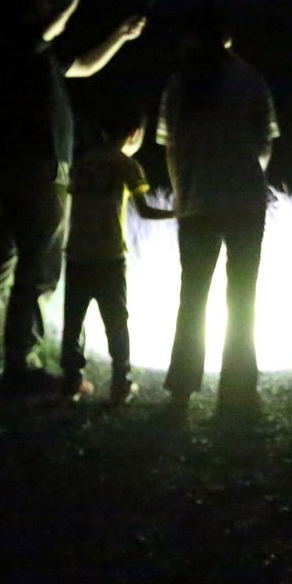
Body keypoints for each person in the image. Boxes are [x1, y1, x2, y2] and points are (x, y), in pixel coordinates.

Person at [0, 0, 145, 395]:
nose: (46, 11)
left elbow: (88, 66)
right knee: (38, 269)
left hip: (21, 170)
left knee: (2, 262)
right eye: (39, 6)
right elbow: (60, 18)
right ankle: (22, 365)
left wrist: (120, 35)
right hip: (39, 171)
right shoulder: (23, 46)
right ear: (26, 15)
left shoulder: (39, 58)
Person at [158, 6, 279, 413]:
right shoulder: (250, 80)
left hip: (195, 202)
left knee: (192, 294)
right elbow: (264, 145)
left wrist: (183, 192)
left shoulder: (179, 84)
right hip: (245, 200)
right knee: (242, 295)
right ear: (228, 40)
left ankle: (182, 383)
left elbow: (170, 147)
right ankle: (239, 387)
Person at [60, 95, 172, 404]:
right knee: (116, 322)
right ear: (135, 133)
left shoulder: (82, 163)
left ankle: (71, 381)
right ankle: (120, 383)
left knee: (73, 322)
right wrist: (180, 212)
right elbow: (146, 211)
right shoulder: (128, 165)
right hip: (109, 256)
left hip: (77, 254)